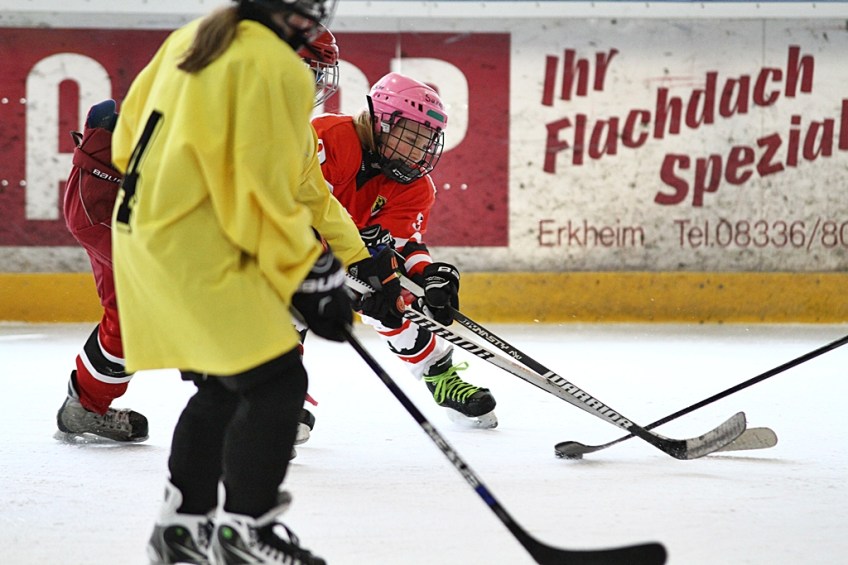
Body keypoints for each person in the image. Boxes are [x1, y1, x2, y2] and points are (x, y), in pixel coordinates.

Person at [107, 1, 387, 563]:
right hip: (197, 241)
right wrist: (308, 274)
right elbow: (256, 193)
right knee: (277, 381)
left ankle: (181, 528)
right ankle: (245, 532)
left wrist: (354, 260)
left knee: (222, 385)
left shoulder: (194, 37)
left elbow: (125, 143)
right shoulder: (276, 66)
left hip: (142, 235)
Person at [53, 25, 384, 450]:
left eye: (317, 76)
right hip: (109, 200)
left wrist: (358, 260)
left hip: (145, 209)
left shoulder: (288, 129)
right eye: (303, 73)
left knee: (132, 317)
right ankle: (249, 403)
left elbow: (317, 202)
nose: (310, 87)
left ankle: (83, 407)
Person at [311, 72, 498, 428]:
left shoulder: (415, 186)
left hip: (353, 257)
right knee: (288, 304)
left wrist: (428, 276)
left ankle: (440, 377)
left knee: (394, 298)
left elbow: (399, 243)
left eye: (425, 142)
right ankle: (277, 398)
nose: (417, 152)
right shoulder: (329, 138)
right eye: (410, 138)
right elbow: (297, 211)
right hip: (291, 250)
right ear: (380, 120)